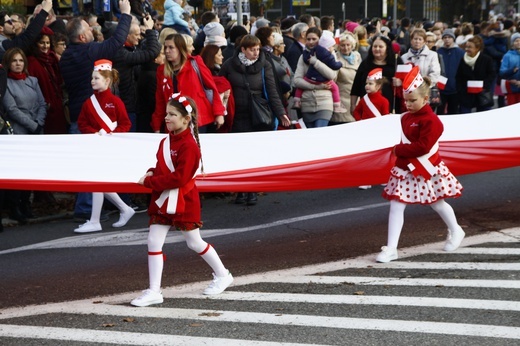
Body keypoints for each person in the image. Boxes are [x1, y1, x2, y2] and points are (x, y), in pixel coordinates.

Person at [131, 94, 233, 307]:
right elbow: (162, 166)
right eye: (166, 113)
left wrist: (151, 183)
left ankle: (223, 274)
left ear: (186, 119)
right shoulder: (165, 140)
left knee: (194, 242)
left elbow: (180, 177)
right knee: (153, 241)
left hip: (183, 200)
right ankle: (154, 290)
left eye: (172, 114)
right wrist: (152, 172)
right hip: (164, 198)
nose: (166, 118)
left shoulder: (189, 146)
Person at [376, 66, 465, 263]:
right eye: (406, 100)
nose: (408, 104)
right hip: (405, 168)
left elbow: (424, 147)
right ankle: (391, 248)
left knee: (437, 203)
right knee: (396, 205)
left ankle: (456, 229)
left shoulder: (432, 121)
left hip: (426, 168)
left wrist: (398, 151)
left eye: (412, 100)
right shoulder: (405, 117)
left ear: (425, 99)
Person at [60, 0, 131, 222]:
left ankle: (89, 210)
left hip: (77, 116)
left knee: (87, 166)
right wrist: (126, 14)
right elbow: (117, 42)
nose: (93, 29)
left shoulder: (65, 57)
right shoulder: (88, 52)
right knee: (97, 166)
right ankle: (89, 211)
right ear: (82, 37)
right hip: (94, 118)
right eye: (89, 29)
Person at [219, 34, 290, 205]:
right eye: (252, 49)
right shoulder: (229, 65)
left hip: (258, 115)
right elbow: (220, 87)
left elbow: (272, 90)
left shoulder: (264, 64)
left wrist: (281, 113)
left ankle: (252, 191)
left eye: (258, 49)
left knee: (252, 154)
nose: (256, 52)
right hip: (238, 116)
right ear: (243, 49)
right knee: (239, 155)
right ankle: (241, 191)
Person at [74, 59, 135, 233]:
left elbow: (125, 124)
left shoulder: (115, 102)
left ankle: (95, 220)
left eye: (97, 78)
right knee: (99, 181)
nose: (93, 81)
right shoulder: (88, 103)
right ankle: (123, 209)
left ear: (107, 81)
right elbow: (82, 123)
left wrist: (112, 135)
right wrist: (93, 133)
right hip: (95, 146)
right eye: (92, 78)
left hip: (110, 147)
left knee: (98, 181)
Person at [2, 47, 47, 222]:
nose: (18, 64)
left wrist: (39, 123)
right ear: (8, 63)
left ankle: (26, 204)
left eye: (20, 60)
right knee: (18, 171)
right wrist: (32, 125)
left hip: (36, 129)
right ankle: (15, 207)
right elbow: (11, 109)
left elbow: (42, 103)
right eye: (14, 61)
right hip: (19, 132)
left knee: (31, 170)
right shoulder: (5, 83)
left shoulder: (33, 81)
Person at [151, 33, 226, 134]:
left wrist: (219, 113)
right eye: (165, 47)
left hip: (197, 120)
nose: (167, 51)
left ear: (180, 48)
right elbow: (160, 99)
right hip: (175, 121)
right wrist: (157, 124)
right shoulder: (162, 70)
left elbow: (211, 87)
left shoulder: (195, 63)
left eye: (171, 47)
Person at [112, 15, 161, 132]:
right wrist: (150, 30)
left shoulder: (130, 50)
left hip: (132, 106)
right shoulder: (123, 55)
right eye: (137, 34)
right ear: (127, 36)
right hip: (128, 108)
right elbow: (152, 52)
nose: (139, 38)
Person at [292, 27, 345, 113]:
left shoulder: (330, 54)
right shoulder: (303, 56)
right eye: (308, 39)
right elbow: (297, 81)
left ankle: (337, 106)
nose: (311, 42)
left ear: (320, 40)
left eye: (314, 39)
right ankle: (296, 101)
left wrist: (316, 63)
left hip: (325, 101)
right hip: (307, 102)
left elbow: (332, 76)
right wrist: (316, 86)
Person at [27, 27, 67, 135]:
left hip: (58, 106)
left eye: (48, 43)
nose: (45, 46)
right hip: (44, 109)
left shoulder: (52, 59)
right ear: (35, 44)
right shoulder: (32, 62)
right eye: (42, 43)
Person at [351, 35, 403, 115]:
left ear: (387, 48)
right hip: (368, 107)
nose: (377, 49)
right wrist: (353, 105)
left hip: (391, 106)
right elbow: (356, 86)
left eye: (380, 46)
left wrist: (400, 82)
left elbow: (406, 81)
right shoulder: (365, 63)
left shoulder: (396, 61)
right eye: (375, 46)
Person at [455, 35, 496, 113]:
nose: (467, 49)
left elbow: (492, 74)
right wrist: (460, 90)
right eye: (466, 47)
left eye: (470, 47)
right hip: (466, 95)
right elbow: (458, 77)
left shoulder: (487, 59)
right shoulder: (463, 60)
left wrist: (484, 86)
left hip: (482, 94)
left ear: (477, 48)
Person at [200, 44, 235, 133]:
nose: (222, 57)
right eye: (219, 55)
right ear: (211, 57)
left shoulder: (202, 74)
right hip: (215, 118)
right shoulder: (216, 78)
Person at [332, 32, 362, 125]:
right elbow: (333, 80)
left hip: (355, 99)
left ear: (352, 45)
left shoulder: (357, 57)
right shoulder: (335, 58)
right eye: (342, 45)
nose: (345, 48)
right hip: (341, 99)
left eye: (348, 45)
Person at [436, 29, 465, 115]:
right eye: (445, 37)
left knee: (453, 112)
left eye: (449, 37)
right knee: (440, 111)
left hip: (455, 88)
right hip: (441, 88)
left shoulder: (460, 52)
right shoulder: (438, 52)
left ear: (453, 38)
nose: (447, 39)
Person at [499, 32, 520, 106]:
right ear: (512, 43)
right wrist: (512, 71)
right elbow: (502, 72)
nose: (518, 42)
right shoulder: (507, 56)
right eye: (516, 41)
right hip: (511, 88)